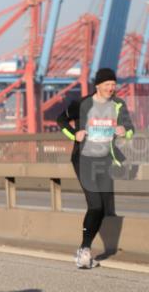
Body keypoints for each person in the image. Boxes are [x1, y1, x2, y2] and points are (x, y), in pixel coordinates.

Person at [56, 67, 135, 269]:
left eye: (113, 85)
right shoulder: (83, 103)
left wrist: (124, 130)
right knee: (96, 205)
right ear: (98, 85)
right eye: (107, 85)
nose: (111, 88)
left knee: (102, 209)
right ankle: (84, 251)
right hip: (84, 160)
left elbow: (131, 129)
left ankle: (85, 250)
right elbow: (61, 120)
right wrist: (74, 134)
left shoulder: (118, 104)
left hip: (105, 160)